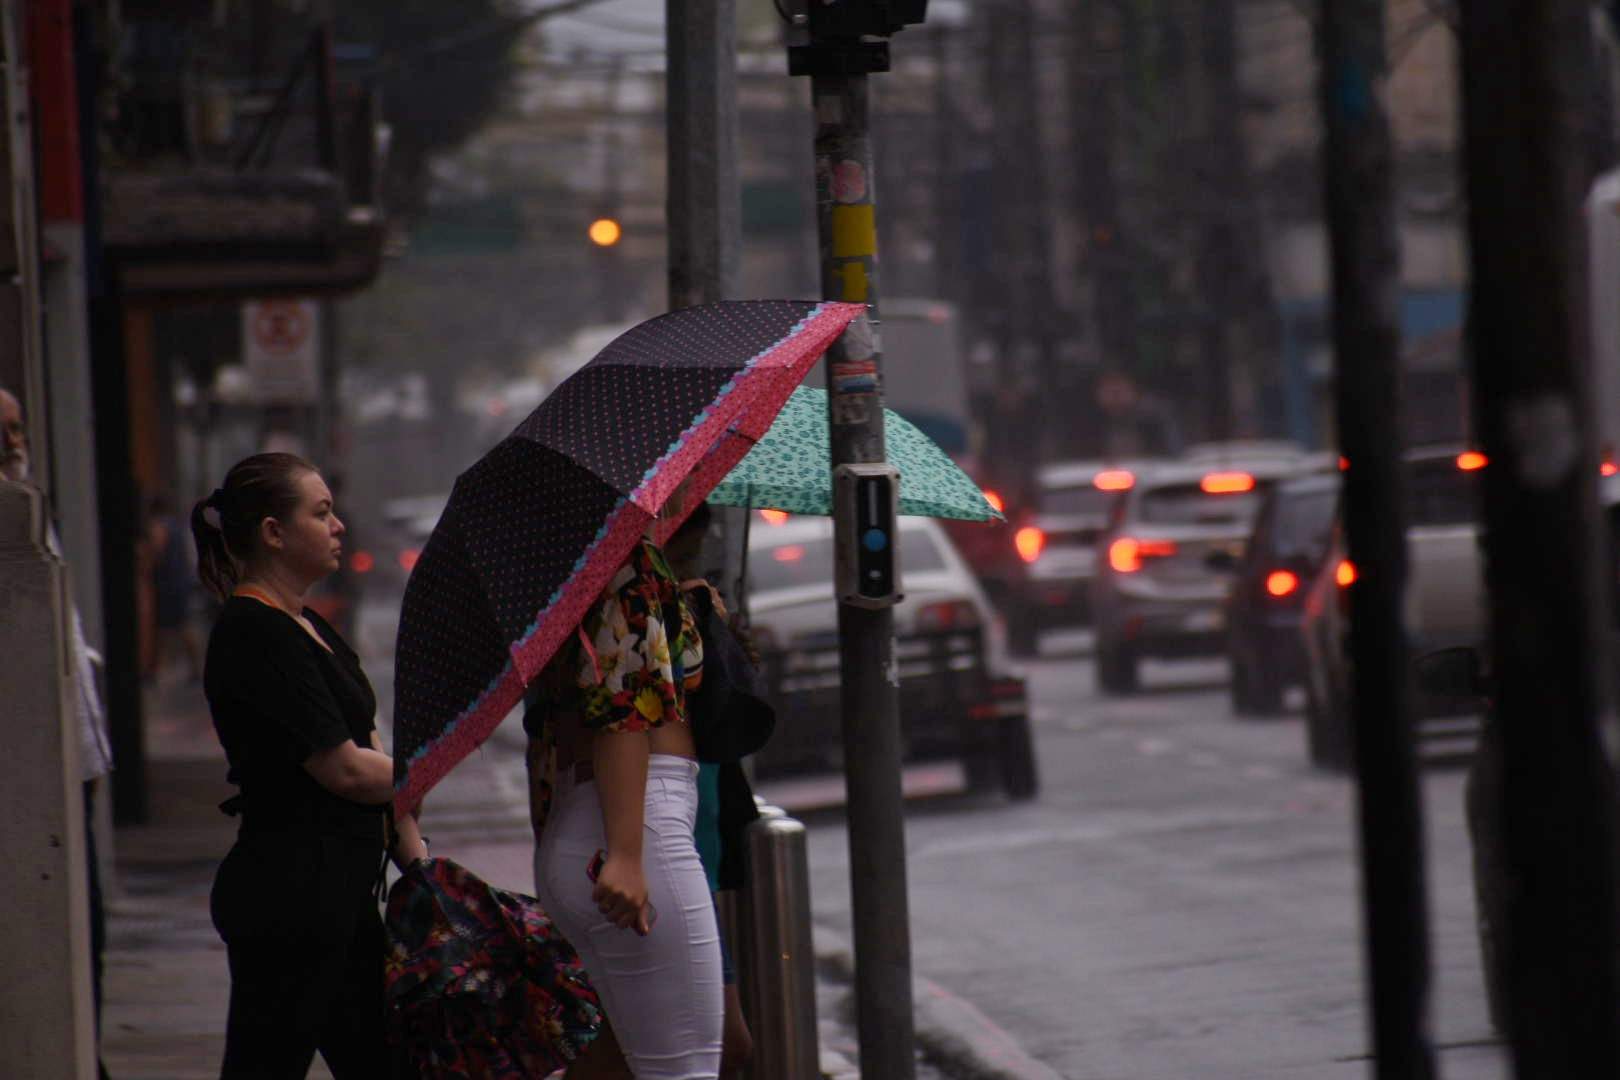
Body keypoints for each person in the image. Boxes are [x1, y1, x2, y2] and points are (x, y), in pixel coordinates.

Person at [191, 452, 425, 1079]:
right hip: (291, 896)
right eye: (321, 513)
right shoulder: (254, 633)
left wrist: (422, 867)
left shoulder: (306, 624)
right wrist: (429, 767)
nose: (339, 525)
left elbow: (370, 752)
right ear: (273, 532)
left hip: (340, 893)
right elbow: (345, 771)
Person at [524, 491, 724, 1079]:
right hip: (635, 827)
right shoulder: (623, 565)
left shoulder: (574, 574)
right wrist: (628, 855)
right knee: (684, 1071)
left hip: (591, 823)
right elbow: (624, 713)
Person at [3, 386, 116, 1079]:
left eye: (18, 428)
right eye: (2, 431)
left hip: (76, 763)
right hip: (35, 777)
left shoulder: (35, 513)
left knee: (87, 928)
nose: (15, 443)